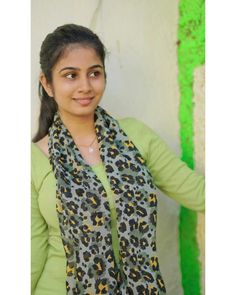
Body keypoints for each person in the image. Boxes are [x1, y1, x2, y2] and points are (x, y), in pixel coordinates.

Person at [31, 24, 204, 295]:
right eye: (70, 75)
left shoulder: (135, 136)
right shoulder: (32, 160)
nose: (85, 86)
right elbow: (30, 253)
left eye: (94, 73)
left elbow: (199, 194)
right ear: (47, 83)